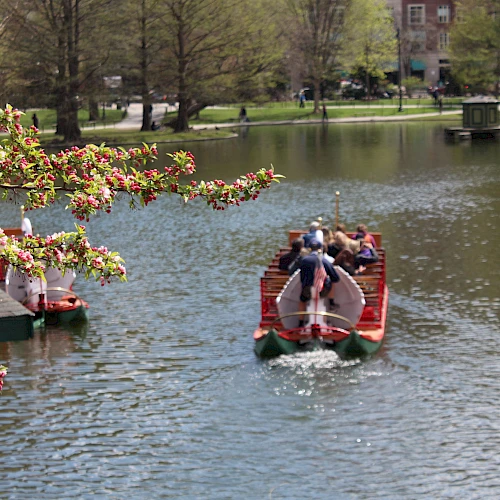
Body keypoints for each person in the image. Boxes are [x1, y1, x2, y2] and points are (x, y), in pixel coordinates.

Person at [298, 239, 340, 327]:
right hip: (323, 291)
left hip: (307, 291)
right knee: (331, 282)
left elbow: (301, 278)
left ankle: (300, 323)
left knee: (302, 300)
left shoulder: (304, 260)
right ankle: (331, 303)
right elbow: (336, 278)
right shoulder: (325, 261)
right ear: (320, 249)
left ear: (309, 249)